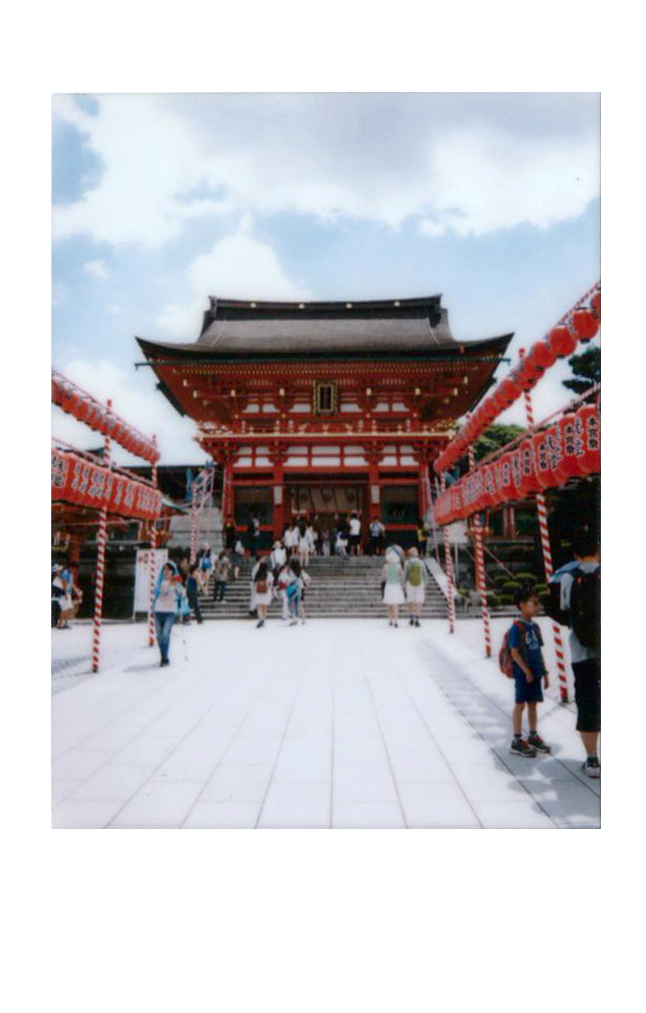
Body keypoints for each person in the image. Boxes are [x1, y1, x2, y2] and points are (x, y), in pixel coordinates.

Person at [556, 533, 601, 777]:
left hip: (581, 652)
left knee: (587, 701)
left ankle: (593, 761)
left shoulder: (568, 578)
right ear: (598, 549)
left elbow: (565, 609)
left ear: (575, 554)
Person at [509, 587, 551, 757]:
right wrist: (525, 670)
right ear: (522, 605)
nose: (537, 606)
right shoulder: (517, 627)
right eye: (533, 603)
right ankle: (517, 739)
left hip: (535, 671)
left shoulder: (535, 627)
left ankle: (533, 735)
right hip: (523, 673)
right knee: (520, 704)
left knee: (533, 704)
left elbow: (538, 650)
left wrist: (545, 672)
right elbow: (514, 652)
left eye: (537, 603)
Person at [152, 561, 181, 666]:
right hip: (158, 610)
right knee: (160, 636)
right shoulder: (159, 582)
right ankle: (163, 657)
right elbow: (157, 593)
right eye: (165, 569)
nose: (166, 571)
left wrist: (175, 587)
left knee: (165, 634)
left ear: (173, 571)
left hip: (170, 611)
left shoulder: (176, 582)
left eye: (169, 569)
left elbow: (181, 594)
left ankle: (164, 657)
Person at [404, 547, 428, 627]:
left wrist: (403, 585)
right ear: (417, 554)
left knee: (410, 601)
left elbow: (405, 575)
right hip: (420, 583)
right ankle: (417, 618)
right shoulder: (421, 562)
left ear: (410, 554)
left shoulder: (407, 562)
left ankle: (411, 617)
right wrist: (425, 585)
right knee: (419, 601)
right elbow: (425, 575)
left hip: (410, 583)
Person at [381, 548, 405, 627]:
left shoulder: (386, 566)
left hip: (389, 586)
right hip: (396, 586)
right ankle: (396, 621)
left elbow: (382, 577)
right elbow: (403, 576)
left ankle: (390, 620)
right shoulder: (398, 566)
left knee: (389, 604)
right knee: (396, 605)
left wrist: (387, 576)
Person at [252, 560, 274, 628]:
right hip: (266, 592)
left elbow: (254, 583)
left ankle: (260, 619)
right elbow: (271, 582)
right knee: (264, 607)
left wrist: (256, 589)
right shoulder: (269, 574)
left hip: (258, 592)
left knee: (259, 606)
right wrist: (268, 588)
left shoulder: (257, 574)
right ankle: (263, 620)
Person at [286, 558, 304, 626]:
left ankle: (294, 619)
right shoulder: (300, 571)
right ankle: (296, 618)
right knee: (297, 604)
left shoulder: (291, 571)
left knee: (289, 604)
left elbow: (291, 580)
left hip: (293, 589)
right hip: (299, 589)